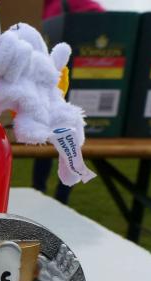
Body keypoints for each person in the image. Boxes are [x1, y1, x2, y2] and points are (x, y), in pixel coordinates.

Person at [33, 0, 104, 203]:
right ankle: (49, 193)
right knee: (57, 140)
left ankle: (52, 193)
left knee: (60, 137)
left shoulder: (67, 3)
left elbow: (103, 21)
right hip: (59, 83)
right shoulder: (46, 6)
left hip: (66, 81)